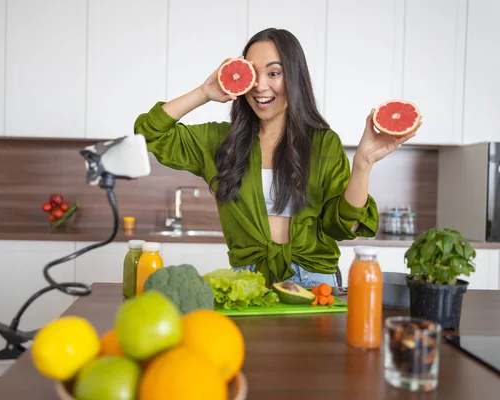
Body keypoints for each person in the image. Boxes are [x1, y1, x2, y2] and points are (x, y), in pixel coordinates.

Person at [133, 28, 419, 288]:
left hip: (313, 280)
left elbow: (344, 227)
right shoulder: (220, 142)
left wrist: (363, 165)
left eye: (273, 73)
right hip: (247, 280)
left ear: (293, 77)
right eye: (252, 73)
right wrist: (204, 92)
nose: (259, 86)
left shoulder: (323, 143)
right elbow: (148, 133)